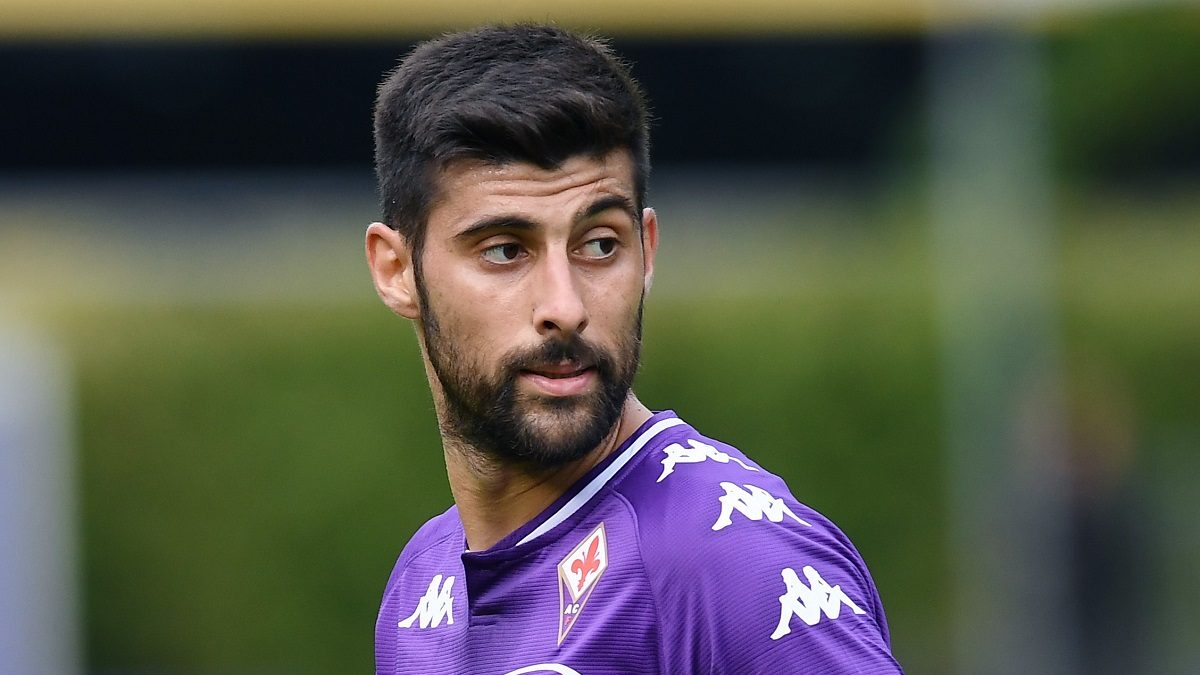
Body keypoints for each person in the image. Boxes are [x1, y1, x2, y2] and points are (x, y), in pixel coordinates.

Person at [365, 24, 902, 674]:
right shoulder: (421, 585)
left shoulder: (733, 561)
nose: (564, 306)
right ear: (397, 270)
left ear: (646, 251)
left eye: (600, 245)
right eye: (505, 250)